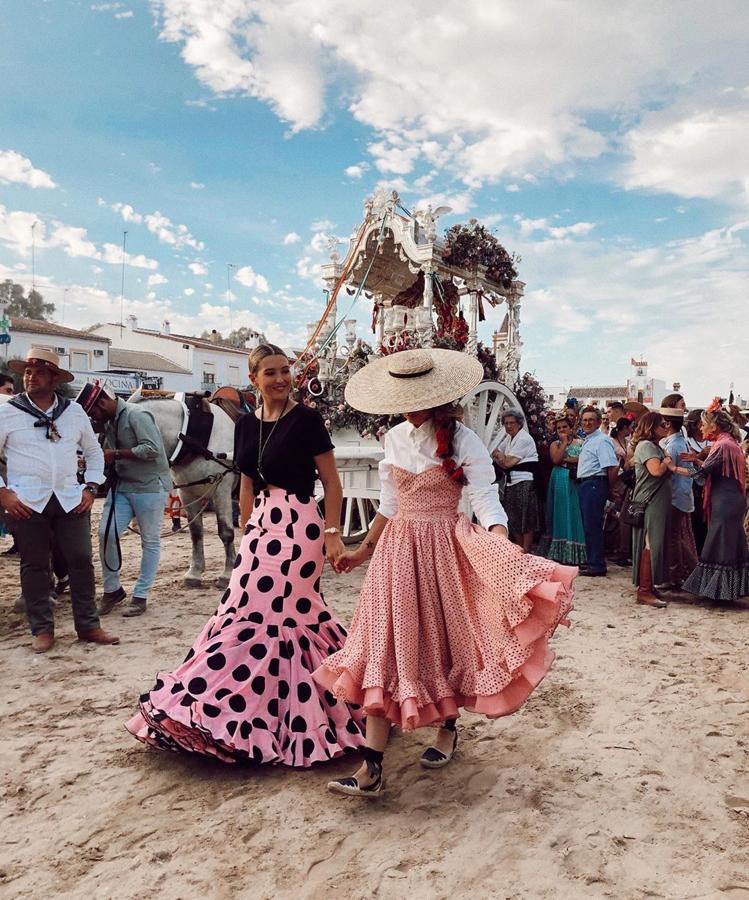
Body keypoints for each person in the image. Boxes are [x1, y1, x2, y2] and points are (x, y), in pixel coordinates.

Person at [314, 349, 575, 798]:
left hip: (444, 550)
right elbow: (390, 507)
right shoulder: (394, 437)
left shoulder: (465, 441)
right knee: (385, 640)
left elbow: (485, 498)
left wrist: (497, 540)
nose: (409, 404)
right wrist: (361, 550)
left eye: (417, 396)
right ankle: (372, 766)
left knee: (443, 639)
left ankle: (448, 728)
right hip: (396, 553)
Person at [126, 343, 365, 765]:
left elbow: (332, 483)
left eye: (285, 371)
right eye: (269, 373)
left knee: (287, 615)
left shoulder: (307, 420)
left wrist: (332, 534)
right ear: (253, 379)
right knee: (240, 608)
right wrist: (246, 521)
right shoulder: (245, 425)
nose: (280, 379)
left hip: (299, 524)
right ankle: (232, 710)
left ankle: (310, 718)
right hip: (261, 529)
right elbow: (247, 480)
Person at [0, 348, 118, 652]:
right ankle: (42, 629)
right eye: (27, 371)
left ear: (54, 378)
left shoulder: (73, 412)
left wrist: (91, 488)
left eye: (39, 372)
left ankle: (88, 626)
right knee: (35, 564)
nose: (30, 377)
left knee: (80, 560)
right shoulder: (8, 411)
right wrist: (4, 493)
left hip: (69, 498)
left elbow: (93, 453)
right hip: (26, 500)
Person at [77, 382, 171, 617]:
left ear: (102, 403)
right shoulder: (108, 422)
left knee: (150, 542)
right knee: (105, 534)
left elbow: (152, 449)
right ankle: (113, 590)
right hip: (122, 486)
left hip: (149, 487)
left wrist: (116, 454)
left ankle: (141, 595)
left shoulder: (137, 415)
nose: (93, 417)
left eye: (93, 412)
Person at [682, 401, 749, 603]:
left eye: (704, 424)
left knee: (720, 542)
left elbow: (703, 473)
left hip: (725, 502)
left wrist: (674, 469)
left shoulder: (722, 445)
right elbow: (715, 469)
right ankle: (725, 591)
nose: (701, 428)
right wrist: (695, 460)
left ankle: (719, 593)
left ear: (714, 425)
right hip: (731, 499)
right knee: (728, 542)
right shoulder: (729, 443)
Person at [630, 412, 680, 608]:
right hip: (651, 502)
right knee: (651, 542)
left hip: (657, 502)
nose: (666, 426)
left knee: (654, 542)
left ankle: (648, 586)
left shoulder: (652, 446)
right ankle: (644, 590)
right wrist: (667, 463)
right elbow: (656, 471)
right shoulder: (647, 446)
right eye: (662, 424)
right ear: (652, 426)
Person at [537, 415, 587, 564]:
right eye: (559, 428)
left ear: (571, 428)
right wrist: (564, 444)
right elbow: (556, 460)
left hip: (574, 479)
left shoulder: (581, 443)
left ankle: (575, 551)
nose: (562, 430)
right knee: (559, 511)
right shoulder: (555, 444)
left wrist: (567, 459)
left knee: (574, 511)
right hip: (559, 479)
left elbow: (582, 460)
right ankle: (559, 551)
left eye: (565, 426)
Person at [577, 407, 619, 576]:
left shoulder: (601, 441)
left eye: (591, 420)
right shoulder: (590, 440)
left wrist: (609, 489)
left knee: (593, 525)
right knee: (589, 525)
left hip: (595, 484)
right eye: (584, 420)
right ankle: (593, 561)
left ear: (599, 422)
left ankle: (597, 564)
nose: (587, 423)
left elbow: (611, 466)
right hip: (587, 484)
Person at [660, 408, 698, 589]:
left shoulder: (673, 445)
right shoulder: (681, 443)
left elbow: (690, 471)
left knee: (674, 537)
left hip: (675, 494)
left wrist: (672, 468)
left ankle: (679, 574)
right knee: (676, 536)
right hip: (682, 493)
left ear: (667, 423)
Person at [492, 408, 540, 552]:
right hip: (512, 482)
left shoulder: (524, 438)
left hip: (525, 482)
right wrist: (502, 458)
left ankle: (526, 550)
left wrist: (501, 458)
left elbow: (507, 463)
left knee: (526, 518)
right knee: (513, 517)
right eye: (506, 423)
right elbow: (495, 452)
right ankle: (520, 549)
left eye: (512, 423)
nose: (508, 426)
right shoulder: (509, 438)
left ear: (519, 424)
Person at [609, 416, 635, 565]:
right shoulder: (612, 441)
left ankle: (621, 547)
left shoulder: (626, 442)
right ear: (624, 427)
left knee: (621, 514)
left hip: (624, 478)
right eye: (630, 427)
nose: (631, 430)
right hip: (616, 477)